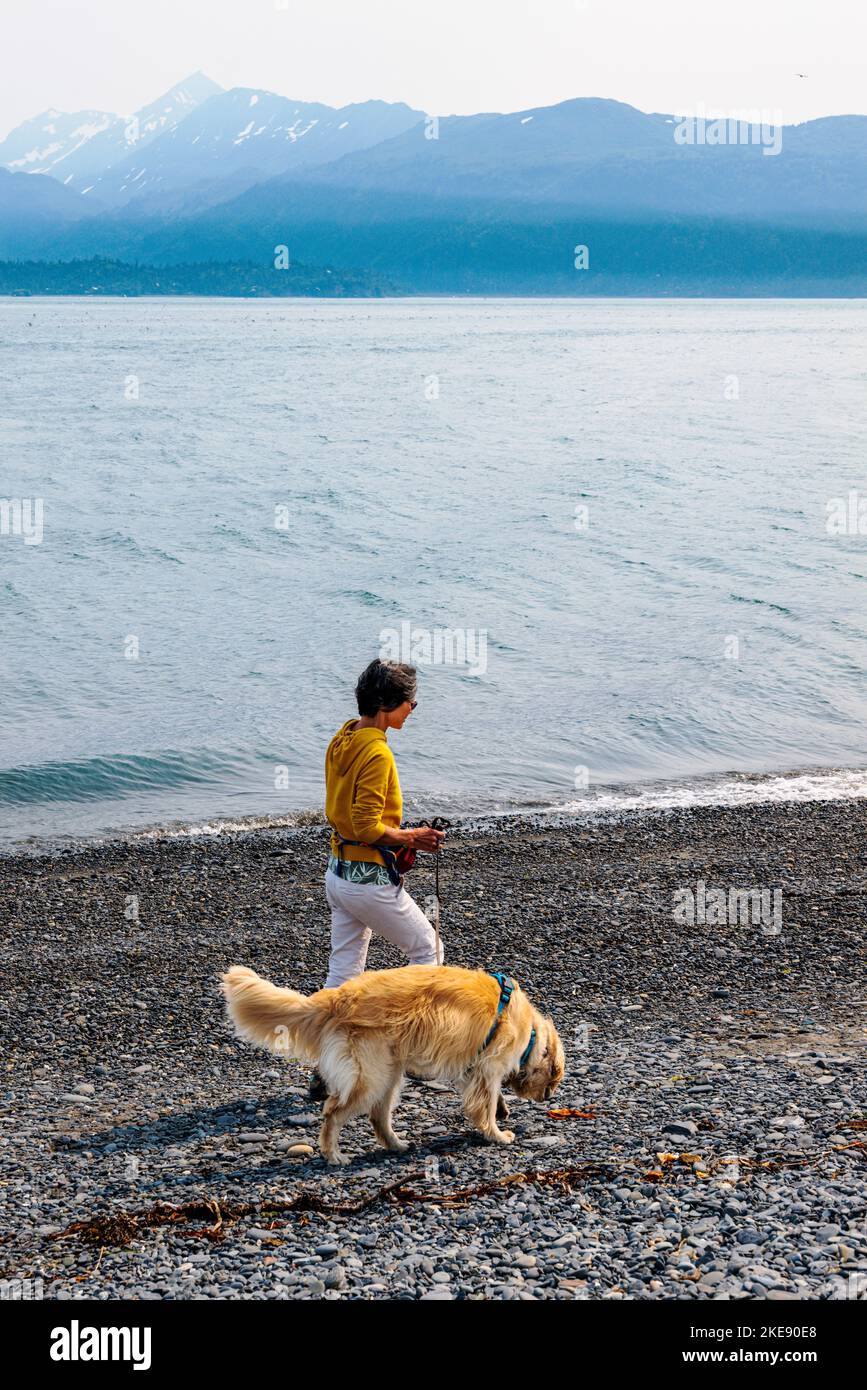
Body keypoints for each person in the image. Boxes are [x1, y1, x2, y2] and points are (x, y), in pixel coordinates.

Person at [322, 658, 445, 993]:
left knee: (343, 973)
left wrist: (406, 837)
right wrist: (413, 837)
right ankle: (402, 1033)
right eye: (411, 703)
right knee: (428, 951)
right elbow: (365, 826)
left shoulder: (343, 738)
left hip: (338, 873)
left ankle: (322, 1043)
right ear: (388, 704)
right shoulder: (378, 753)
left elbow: (348, 816)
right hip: (368, 880)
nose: (412, 710)